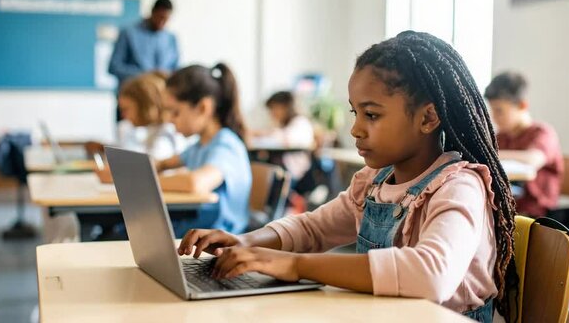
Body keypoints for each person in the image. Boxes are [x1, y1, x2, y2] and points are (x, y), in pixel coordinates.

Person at [177, 31, 518, 322]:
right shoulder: (373, 182)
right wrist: (248, 243)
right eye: (356, 112)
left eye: (371, 114)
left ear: (428, 118)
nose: (355, 128)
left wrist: (295, 265)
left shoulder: (459, 187)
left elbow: (431, 275)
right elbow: (312, 228)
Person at [156, 63, 252, 236]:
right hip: (196, 232)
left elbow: (195, 182)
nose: (169, 120)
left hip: (218, 242)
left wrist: (144, 182)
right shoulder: (200, 145)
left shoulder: (226, 145)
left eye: (175, 112)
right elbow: (162, 164)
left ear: (203, 108)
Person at [484, 72, 563, 217]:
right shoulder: (501, 137)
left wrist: (489, 153)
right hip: (510, 213)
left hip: (539, 217)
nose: (494, 117)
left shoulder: (543, 133)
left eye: (499, 110)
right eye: (492, 110)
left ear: (522, 105)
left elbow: (533, 159)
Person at [109, 0, 180, 120]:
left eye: (166, 20)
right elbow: (114, 66)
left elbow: (176, 71)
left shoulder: (171, 39)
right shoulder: (128, 33)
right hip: (133, 103)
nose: (162, 23)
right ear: (152, 12)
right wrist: (147, 75)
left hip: (159, 106)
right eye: (160, 17)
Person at [250, 91, 315, 181]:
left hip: (295, 171)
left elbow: (286, 139)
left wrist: (262, 134)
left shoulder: (301, 123)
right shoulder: (282, 125)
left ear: (286, 107)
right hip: (283, 168)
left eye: (274, 108)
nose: (272, 113)